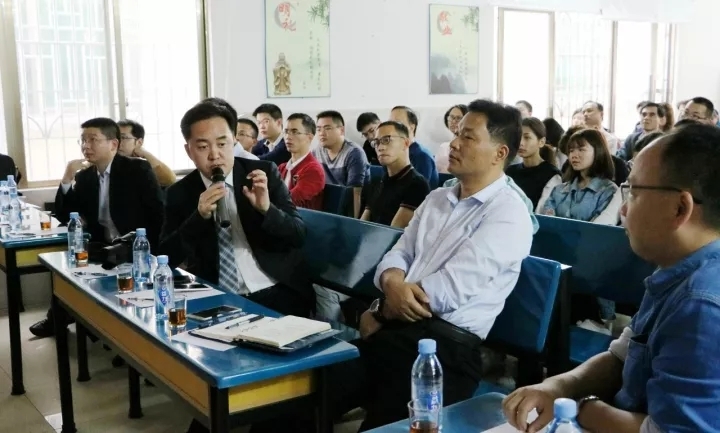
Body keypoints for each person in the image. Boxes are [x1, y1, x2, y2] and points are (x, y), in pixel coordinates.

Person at [257, 99, 533, 433]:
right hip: (396, 336)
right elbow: (396, 256)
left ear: (499, 153)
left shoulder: (508, 213)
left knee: (380, 425)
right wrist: (390, 287)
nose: (455, 143)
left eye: (468, 137)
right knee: (289, 407)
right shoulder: (438, 198)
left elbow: (445, 293)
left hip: (445, 354)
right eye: (457, 133)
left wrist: (381, 312)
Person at [504, 123, 720, 433]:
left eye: (634, 192)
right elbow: (621, 356)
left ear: (679, 208)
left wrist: (582, 408)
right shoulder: (675, 269)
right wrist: (558, 387)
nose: (625, 208)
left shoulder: (702, 305)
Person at [159, 101, 314, 317]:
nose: (214, 155)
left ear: (234, 140)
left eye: (222, 144)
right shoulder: (179, 192)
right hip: (216, 296)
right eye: (203, 147)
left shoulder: (262, 173)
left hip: (275, 290)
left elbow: (298, 235)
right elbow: (166, 257)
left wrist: (267, 209)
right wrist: (199, 217)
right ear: (189, 150)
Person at [30, 117, 164, 338]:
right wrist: (67, 179)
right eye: (83, 140)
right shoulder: (85, 177)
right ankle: (59, 319)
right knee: (66, 273)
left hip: (135, 247)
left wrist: (153, 251)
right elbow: (66, 216)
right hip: (103, 246)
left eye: (93, 139)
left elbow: (158, 213)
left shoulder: (137, 169)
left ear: (113, 144)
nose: (86, 146)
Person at [361, 120, 430, 228]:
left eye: (386, 140)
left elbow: (393, 232)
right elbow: (361, 226)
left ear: (405, 143)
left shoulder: (417, 185)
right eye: (377, 142)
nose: (380, 147)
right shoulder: (377, 182)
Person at [312, 110, 369, 217]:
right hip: (329, 206)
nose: (321, 133)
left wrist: (352, 223)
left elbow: (355, 193)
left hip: (350, 208)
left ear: (341, 130)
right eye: (318, 129)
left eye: (327, 128)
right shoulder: (317, 151)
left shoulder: (354, 153)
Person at [506, 117, 561, 211]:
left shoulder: (552, 175)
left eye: (527, 137)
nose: (520, 143)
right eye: (518, 137)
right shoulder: (510, 171)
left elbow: (543, 212)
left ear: (541, 142)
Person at [277, 113, 325, 210]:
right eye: (286, 132)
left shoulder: (313, 170)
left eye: (295, 132)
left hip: (301, 218)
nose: (288, 136)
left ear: (309, 137)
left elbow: (290, 201)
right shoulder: (282, 167)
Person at [389, 106, 439, 188]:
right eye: (390, 123)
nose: (391, 127)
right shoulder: (396, 153)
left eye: (397, 123)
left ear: (411, 127)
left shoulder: (422, 156)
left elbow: (418, 191)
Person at [116, 119, 177, 187]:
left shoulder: (142, 165)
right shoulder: (110, 162)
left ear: (139, 142)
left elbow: (170, 180)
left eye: (123, 137)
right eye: (115, 137)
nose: (117, 142)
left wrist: (146, 154)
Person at [435, 104, 468, 173]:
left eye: (458, 118)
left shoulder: (469, 147)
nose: (453, 121)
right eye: (451, 117)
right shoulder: (443, 147)